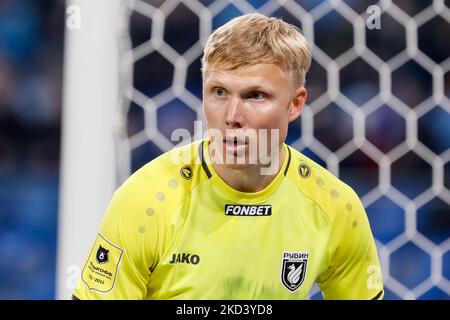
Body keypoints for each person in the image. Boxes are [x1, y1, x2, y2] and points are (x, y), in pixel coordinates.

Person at [72, 13, 383, 300]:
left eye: (255, 95)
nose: (232, 116)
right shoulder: (147, 200)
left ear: (295, 104)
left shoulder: (334, 206)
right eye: (219, 92)